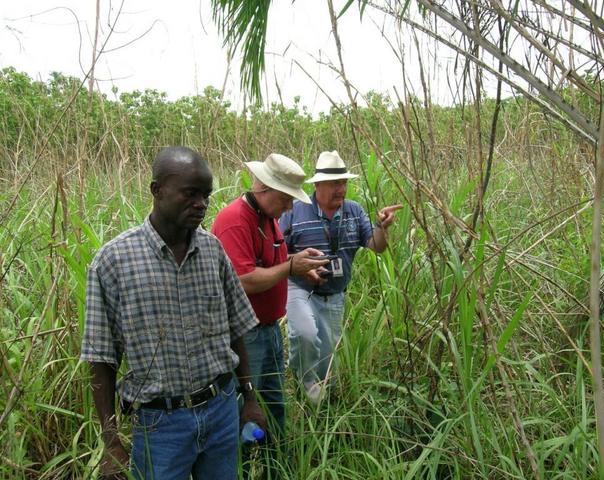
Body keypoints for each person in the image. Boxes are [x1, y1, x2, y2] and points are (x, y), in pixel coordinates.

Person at [80, 146, 265, 480]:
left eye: (206, 196)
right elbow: (100, 359)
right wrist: (111, 441)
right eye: (190, 194)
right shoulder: (112, 262)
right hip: (159, 425)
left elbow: (236, 327)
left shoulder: (212, 250)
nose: (201, 204)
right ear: (156, 190)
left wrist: (249, 398)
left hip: (221, 410)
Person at [211, 154, 327, 447]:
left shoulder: (268, 218)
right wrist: (290, 267)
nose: (290, 206)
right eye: (286, 198)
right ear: (264, 189)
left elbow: (267, 263)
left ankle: (275, 463)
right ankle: (244, 465)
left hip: (269, 330)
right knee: (245, 409)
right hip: (245, 336)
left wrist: (298, 265)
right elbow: (242, 280)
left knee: (273, 407)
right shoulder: (234, 219)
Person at [280, 151, 402, 403]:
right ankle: (303, 387)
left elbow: (376, 246)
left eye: (344, 182)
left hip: (334, 295)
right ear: (318, 185)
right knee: (304, 334)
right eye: (335, 183)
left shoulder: (354, 211)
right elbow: (278, 251)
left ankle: (320, 405)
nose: (341, 189)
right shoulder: (296, 211)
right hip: (299, 288)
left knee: (327, 362)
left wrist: (382, 227)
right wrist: (299, 264)